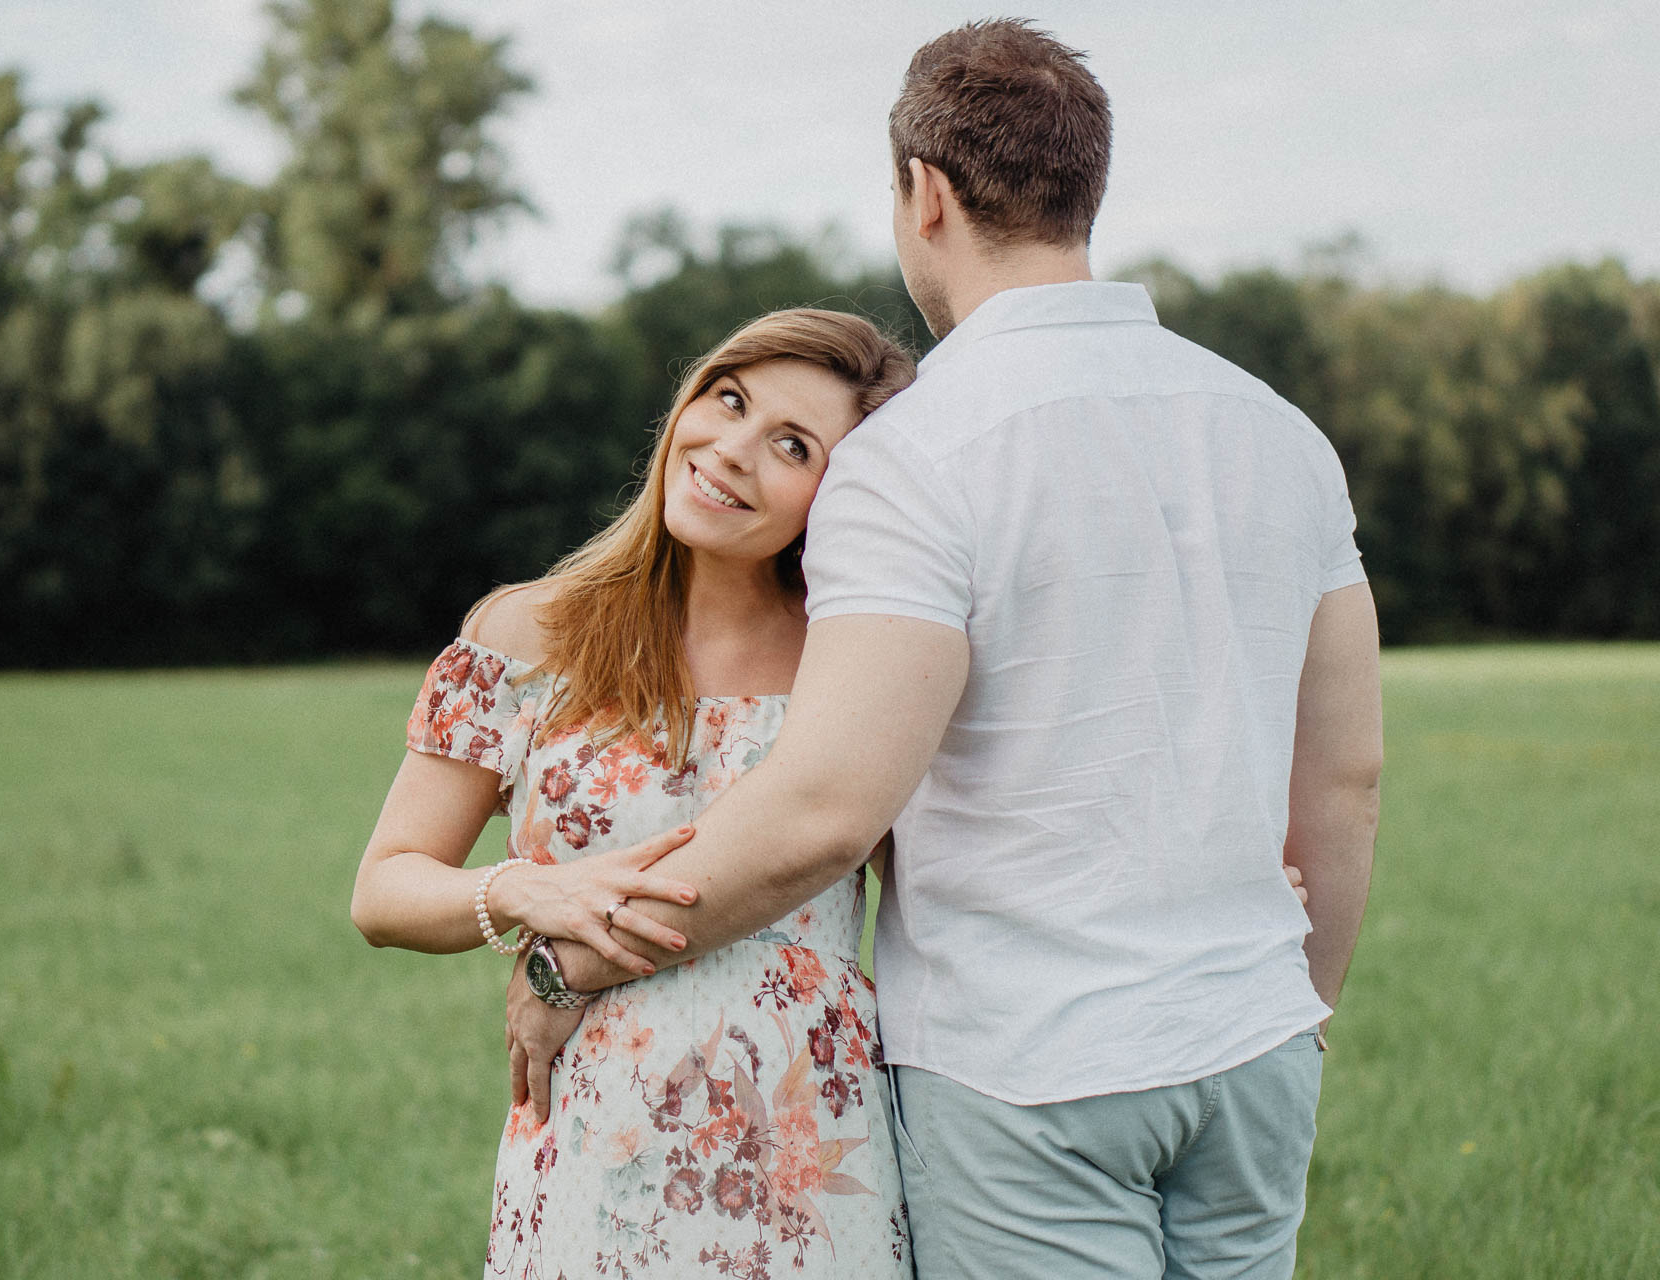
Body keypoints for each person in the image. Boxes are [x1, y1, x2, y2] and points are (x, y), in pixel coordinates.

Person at [503, 18, 1382, 1280]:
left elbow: (822, 812)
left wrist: (570, 959)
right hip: (1254, 1046)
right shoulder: (1279, 434)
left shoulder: (916, 454)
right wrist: (1303, 1010)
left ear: (925, 194)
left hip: (1025, 1072)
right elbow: (1344, 776)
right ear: (1085, 190)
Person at [350, 310, 921, 1277]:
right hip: (592, 1128)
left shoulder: (855, 657)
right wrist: (524, 891)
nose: (732, 450)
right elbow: (384, 888)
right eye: (728, 401)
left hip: (807, 1146)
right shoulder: (529, 634)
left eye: (793, 446)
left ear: (843, 494)